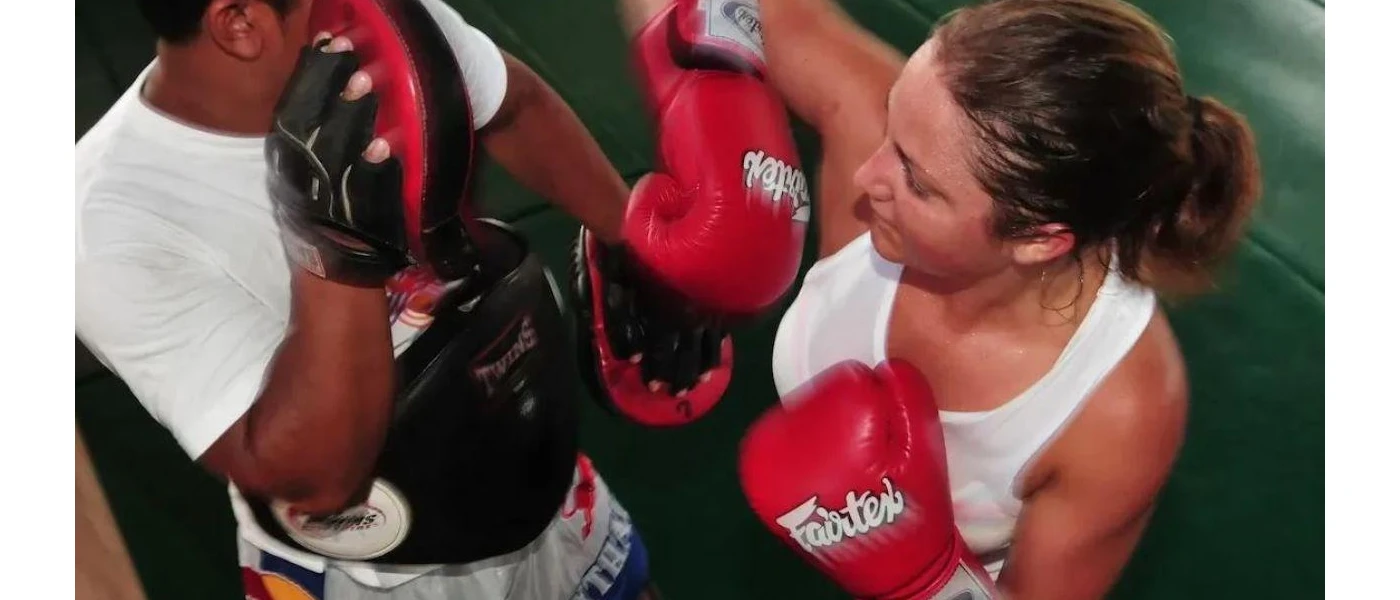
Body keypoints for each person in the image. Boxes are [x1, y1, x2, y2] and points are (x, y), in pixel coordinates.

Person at [623, 0, 1260, 597]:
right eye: (894, 127)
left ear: (1039, 241)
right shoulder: (901, 129)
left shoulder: (1115, 410)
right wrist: (690, 128)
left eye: (918, 182)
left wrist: (922, 577)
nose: (868, 174)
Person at [75, 1, 661, 598]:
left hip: (531, 474)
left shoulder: (378, 26)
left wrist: (636, 247)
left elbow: (513, 105)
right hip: (378, 575)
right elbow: (317, 479)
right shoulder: (106, 225)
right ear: (241, 23)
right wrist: (332, 251)